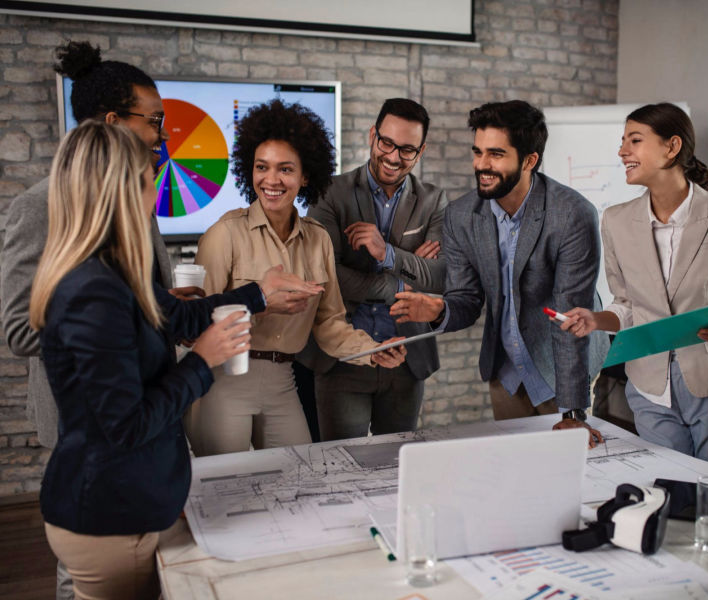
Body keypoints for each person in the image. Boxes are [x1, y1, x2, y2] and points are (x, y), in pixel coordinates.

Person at [28, 121, 305, 600]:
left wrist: (259, 292)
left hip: (132, 501)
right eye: (146, 177)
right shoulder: (92, 291)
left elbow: (180, 313)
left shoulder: (114, 272)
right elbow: (126, 426)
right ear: (119, 191)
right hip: (109, 516)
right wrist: (202, 360)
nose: (154, 187)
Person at [0, 40, 177, 600]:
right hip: (82, 416)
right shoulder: (37, 206)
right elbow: (17, 328)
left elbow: (151, 298)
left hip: (145, 405)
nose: (160, 134)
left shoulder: (136, 195)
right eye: (153, 121)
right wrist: (108, 320)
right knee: (86, 568)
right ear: (112, 122)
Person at [191, 99, 406, 456]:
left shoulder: (318, 238)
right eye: (262, 167)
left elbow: (329, 324)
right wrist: (259, 302)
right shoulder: (224, 234)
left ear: (305, 176)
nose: (271, 180)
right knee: (226, 493)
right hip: (225, 382)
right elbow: (195, 323)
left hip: (283, 382)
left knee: (298, 483)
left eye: (285, 169)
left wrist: (374, 351)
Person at [390, 100, 609, 446]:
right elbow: (466, 298)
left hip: (562, 370)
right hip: (506, 374)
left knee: (571, 474)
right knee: (516, 479)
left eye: (496, 154)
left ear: (529, 160)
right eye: (477, 152)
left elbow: (571, 319)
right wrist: (439, 311)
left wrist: (572, 413)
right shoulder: (462, 215)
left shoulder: (572, 214)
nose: (482, 165)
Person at [558, 103, 708, 467]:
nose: (623, 151)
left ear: (671, 147)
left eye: (634, 141)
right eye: (623, 141)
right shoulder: (616, 221)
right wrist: (596, 320)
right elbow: (626, 304)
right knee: (668, 493)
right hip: (649, 386)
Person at [300, 98, 447, 441]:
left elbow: (441, 277)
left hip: (407, 360)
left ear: (420, 151)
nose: (394, 157)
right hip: (343, 359)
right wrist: (401, 284)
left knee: (395, 469)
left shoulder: (434, 200)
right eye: (387, 143)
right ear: (372, 135)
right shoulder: (330, 193)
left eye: (407, 149)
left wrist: (389, 254)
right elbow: (325, 274)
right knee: (340, 467)